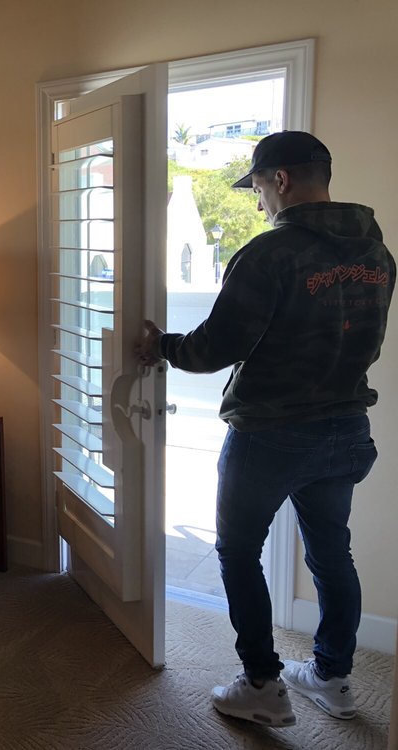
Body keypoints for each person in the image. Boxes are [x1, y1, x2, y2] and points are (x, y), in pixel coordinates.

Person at [135, 131, 394, 727]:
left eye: (256, 187)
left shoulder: (271, 253)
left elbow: (215, 346)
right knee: (333, 553)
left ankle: (261, 685)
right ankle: (333, 678)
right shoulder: (377, 254)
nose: (257, 202)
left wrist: (161, 346)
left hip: (270, 434)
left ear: (280, 179)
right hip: (346, 427)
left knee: (237, 550)